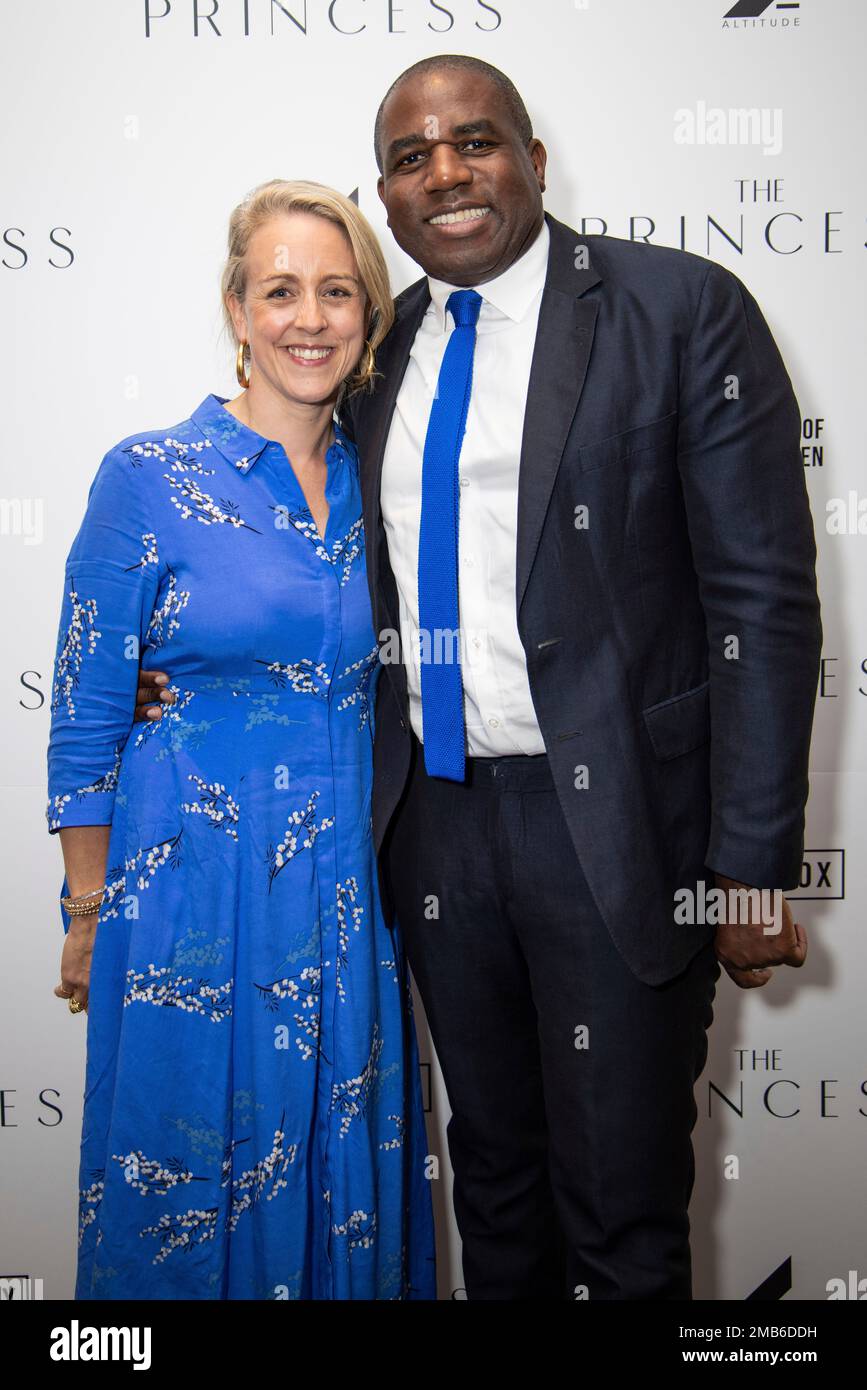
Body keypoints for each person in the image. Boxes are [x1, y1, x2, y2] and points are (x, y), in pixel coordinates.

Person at [137, 56, 822, 1300]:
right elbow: (311, 567)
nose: (445, 174)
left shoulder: (680, 309)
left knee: (620, 1214)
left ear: (535, 160)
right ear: (385, 196)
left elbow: (763, 602)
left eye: (476, 143)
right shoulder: (371, 353)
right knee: (495, 1193)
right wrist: (180, 679)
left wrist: (755, 860)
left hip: (616, 830)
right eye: (411, 158)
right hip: (433, 829)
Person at [46, 179, 435, 1300]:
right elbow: (84, 712)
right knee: (177, 1197)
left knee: (334, 1179)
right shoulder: (148, 477)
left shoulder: (388, 487)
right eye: (280, 290)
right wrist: (84, 907)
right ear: (236, 307)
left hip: (341, 903)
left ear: (367, 315)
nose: (309, 318)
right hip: (186, 901)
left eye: (336, 292)